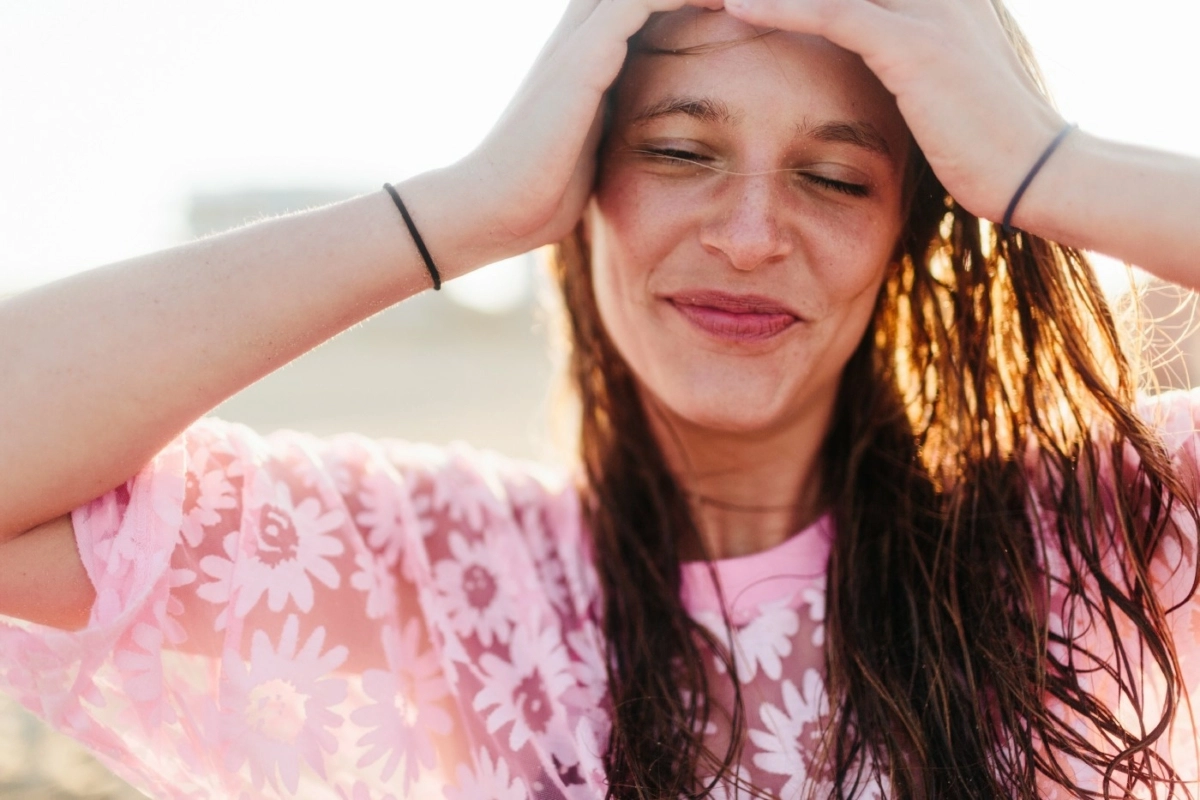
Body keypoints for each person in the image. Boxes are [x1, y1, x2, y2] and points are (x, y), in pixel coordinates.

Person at [3, 0, 1200, 797]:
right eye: (679, 152)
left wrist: (1049, 163)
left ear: (908, 226)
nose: (748, 235)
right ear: (575, 178)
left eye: (834, 177)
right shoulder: (437, 569)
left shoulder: (1100, 528)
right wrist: (464, 206)